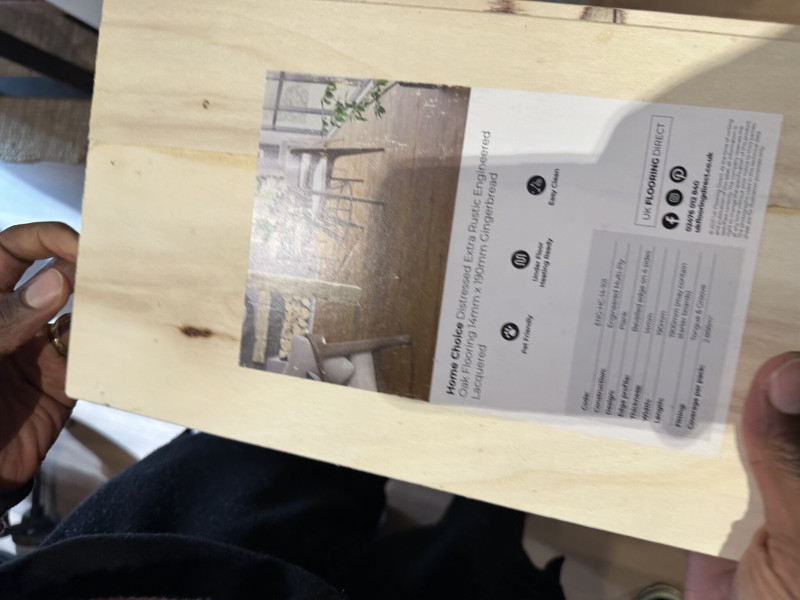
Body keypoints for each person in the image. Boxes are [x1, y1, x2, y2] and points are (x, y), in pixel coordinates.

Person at [0, 222, 796, 599]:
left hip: (139, 570)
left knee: (314, 401)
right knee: (466, 563)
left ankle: (487, 483)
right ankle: (489, 502)